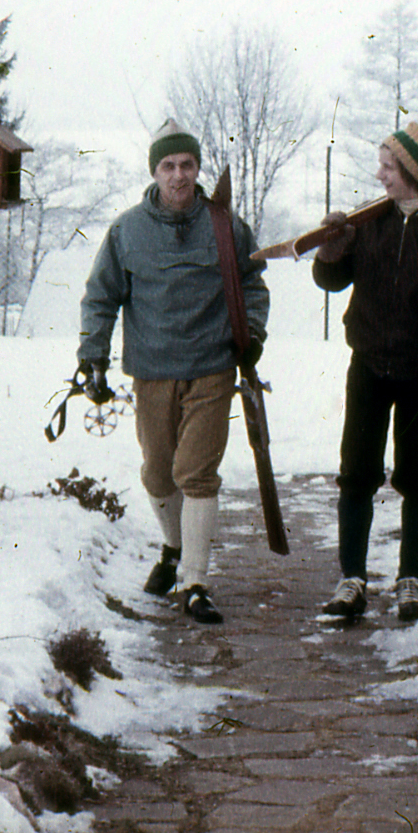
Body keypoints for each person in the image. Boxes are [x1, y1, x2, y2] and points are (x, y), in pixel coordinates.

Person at [77, 118, 268, 625]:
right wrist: (92, 355)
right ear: (155, 172)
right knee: (159, 474)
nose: (179, 175)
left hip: (211, 366)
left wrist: (252, 333)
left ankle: (195, 582)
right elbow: (101, 297)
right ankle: (174, 547)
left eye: (187, 164)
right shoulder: (127, 231)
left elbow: (253, 284)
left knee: (195, 473)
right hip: (153, 369)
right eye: (168, 166)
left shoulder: (226, 226)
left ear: (198, 168)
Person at [312, 120, 418, 622]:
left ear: (412, 172)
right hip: (368, 366)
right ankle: (352, 580)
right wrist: (332, 247)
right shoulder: (370, 222)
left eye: (388, 167)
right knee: (357, 473)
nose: (380, 175)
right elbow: (329, 280)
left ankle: (410, 579)